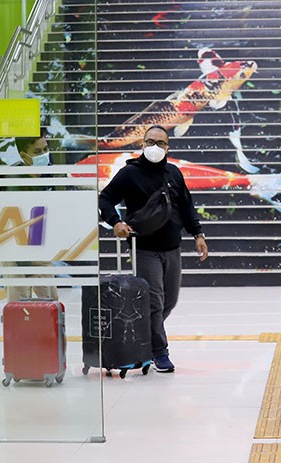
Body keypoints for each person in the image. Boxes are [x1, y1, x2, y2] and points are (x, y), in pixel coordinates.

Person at [98, 125, 209, 373]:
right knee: (154, 302)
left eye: (160, 143)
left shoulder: (174, 173)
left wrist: (198, 234)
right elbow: (105, 198)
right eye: (150, 142)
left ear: (168, 147)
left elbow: (186, 206)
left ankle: (145, 340)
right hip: (144, 248)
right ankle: (160, 352)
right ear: (142, 145)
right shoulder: (130, 173)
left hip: (172, 247)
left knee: (170, 300)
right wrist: (115, 222)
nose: (154, 147)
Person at [2, 131, 59, 302]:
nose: (44, 155)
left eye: (45, 149)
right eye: (37, 151)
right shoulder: (15, 181)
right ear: (23, 156)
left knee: (49, 301)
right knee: (19, 304)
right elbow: (13, 223)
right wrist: (25, 265)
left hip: (39, 247)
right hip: (17, 250)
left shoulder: (47, 175)